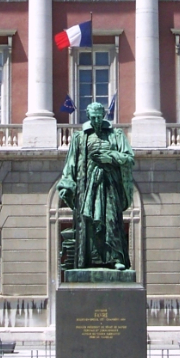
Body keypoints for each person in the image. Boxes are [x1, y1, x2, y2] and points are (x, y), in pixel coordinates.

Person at [57, 101, 135, 271]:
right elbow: (71, 163)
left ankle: (115, 258)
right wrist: (66, 184)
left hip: (110, 184)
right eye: (94, 117)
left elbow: (129, 158)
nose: (97, 120)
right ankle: (88, 261)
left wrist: (111, 157)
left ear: (104, 116)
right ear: (88, 117)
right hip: (87, 186)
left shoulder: (116, 135)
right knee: (88, 222)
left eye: (100, 117)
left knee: (111, 220)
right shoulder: (79, 138)